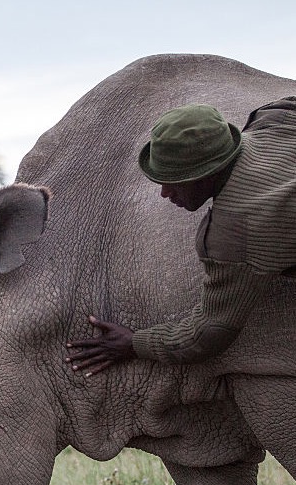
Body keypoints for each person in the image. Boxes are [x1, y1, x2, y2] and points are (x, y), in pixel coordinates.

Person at [66, 99, 296, 375]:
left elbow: (207, 335)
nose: (164, 193)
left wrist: (132, 343)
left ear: (204, 175)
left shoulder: (235, 232)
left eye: (173, 180)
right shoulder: (275, 117)